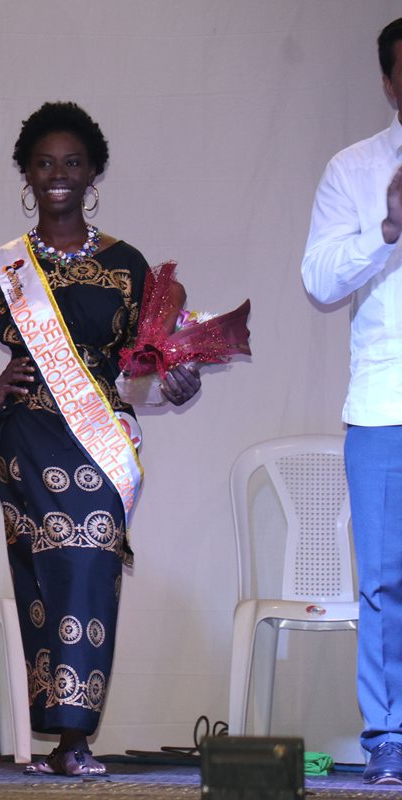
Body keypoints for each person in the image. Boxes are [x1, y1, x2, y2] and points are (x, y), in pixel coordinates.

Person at [0, 102, 200, 776]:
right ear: (26, 173)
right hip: (28, 436)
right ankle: (66, 739)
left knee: (93, 558)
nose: (58, 175)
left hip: (99, 436)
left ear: (92, 173)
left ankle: (72, 733)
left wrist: (175, 382)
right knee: (46, 568)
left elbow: (146, 367)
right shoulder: (3, 268)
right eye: (45, 163)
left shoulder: (129, 265)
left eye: (71, 163)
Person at [301, 16, 402, 786]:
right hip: (385, 403)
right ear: (388, 82)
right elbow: (321, 279)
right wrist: (390, 230)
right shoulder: (355, 169)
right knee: (387, 580)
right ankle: (390, 734)